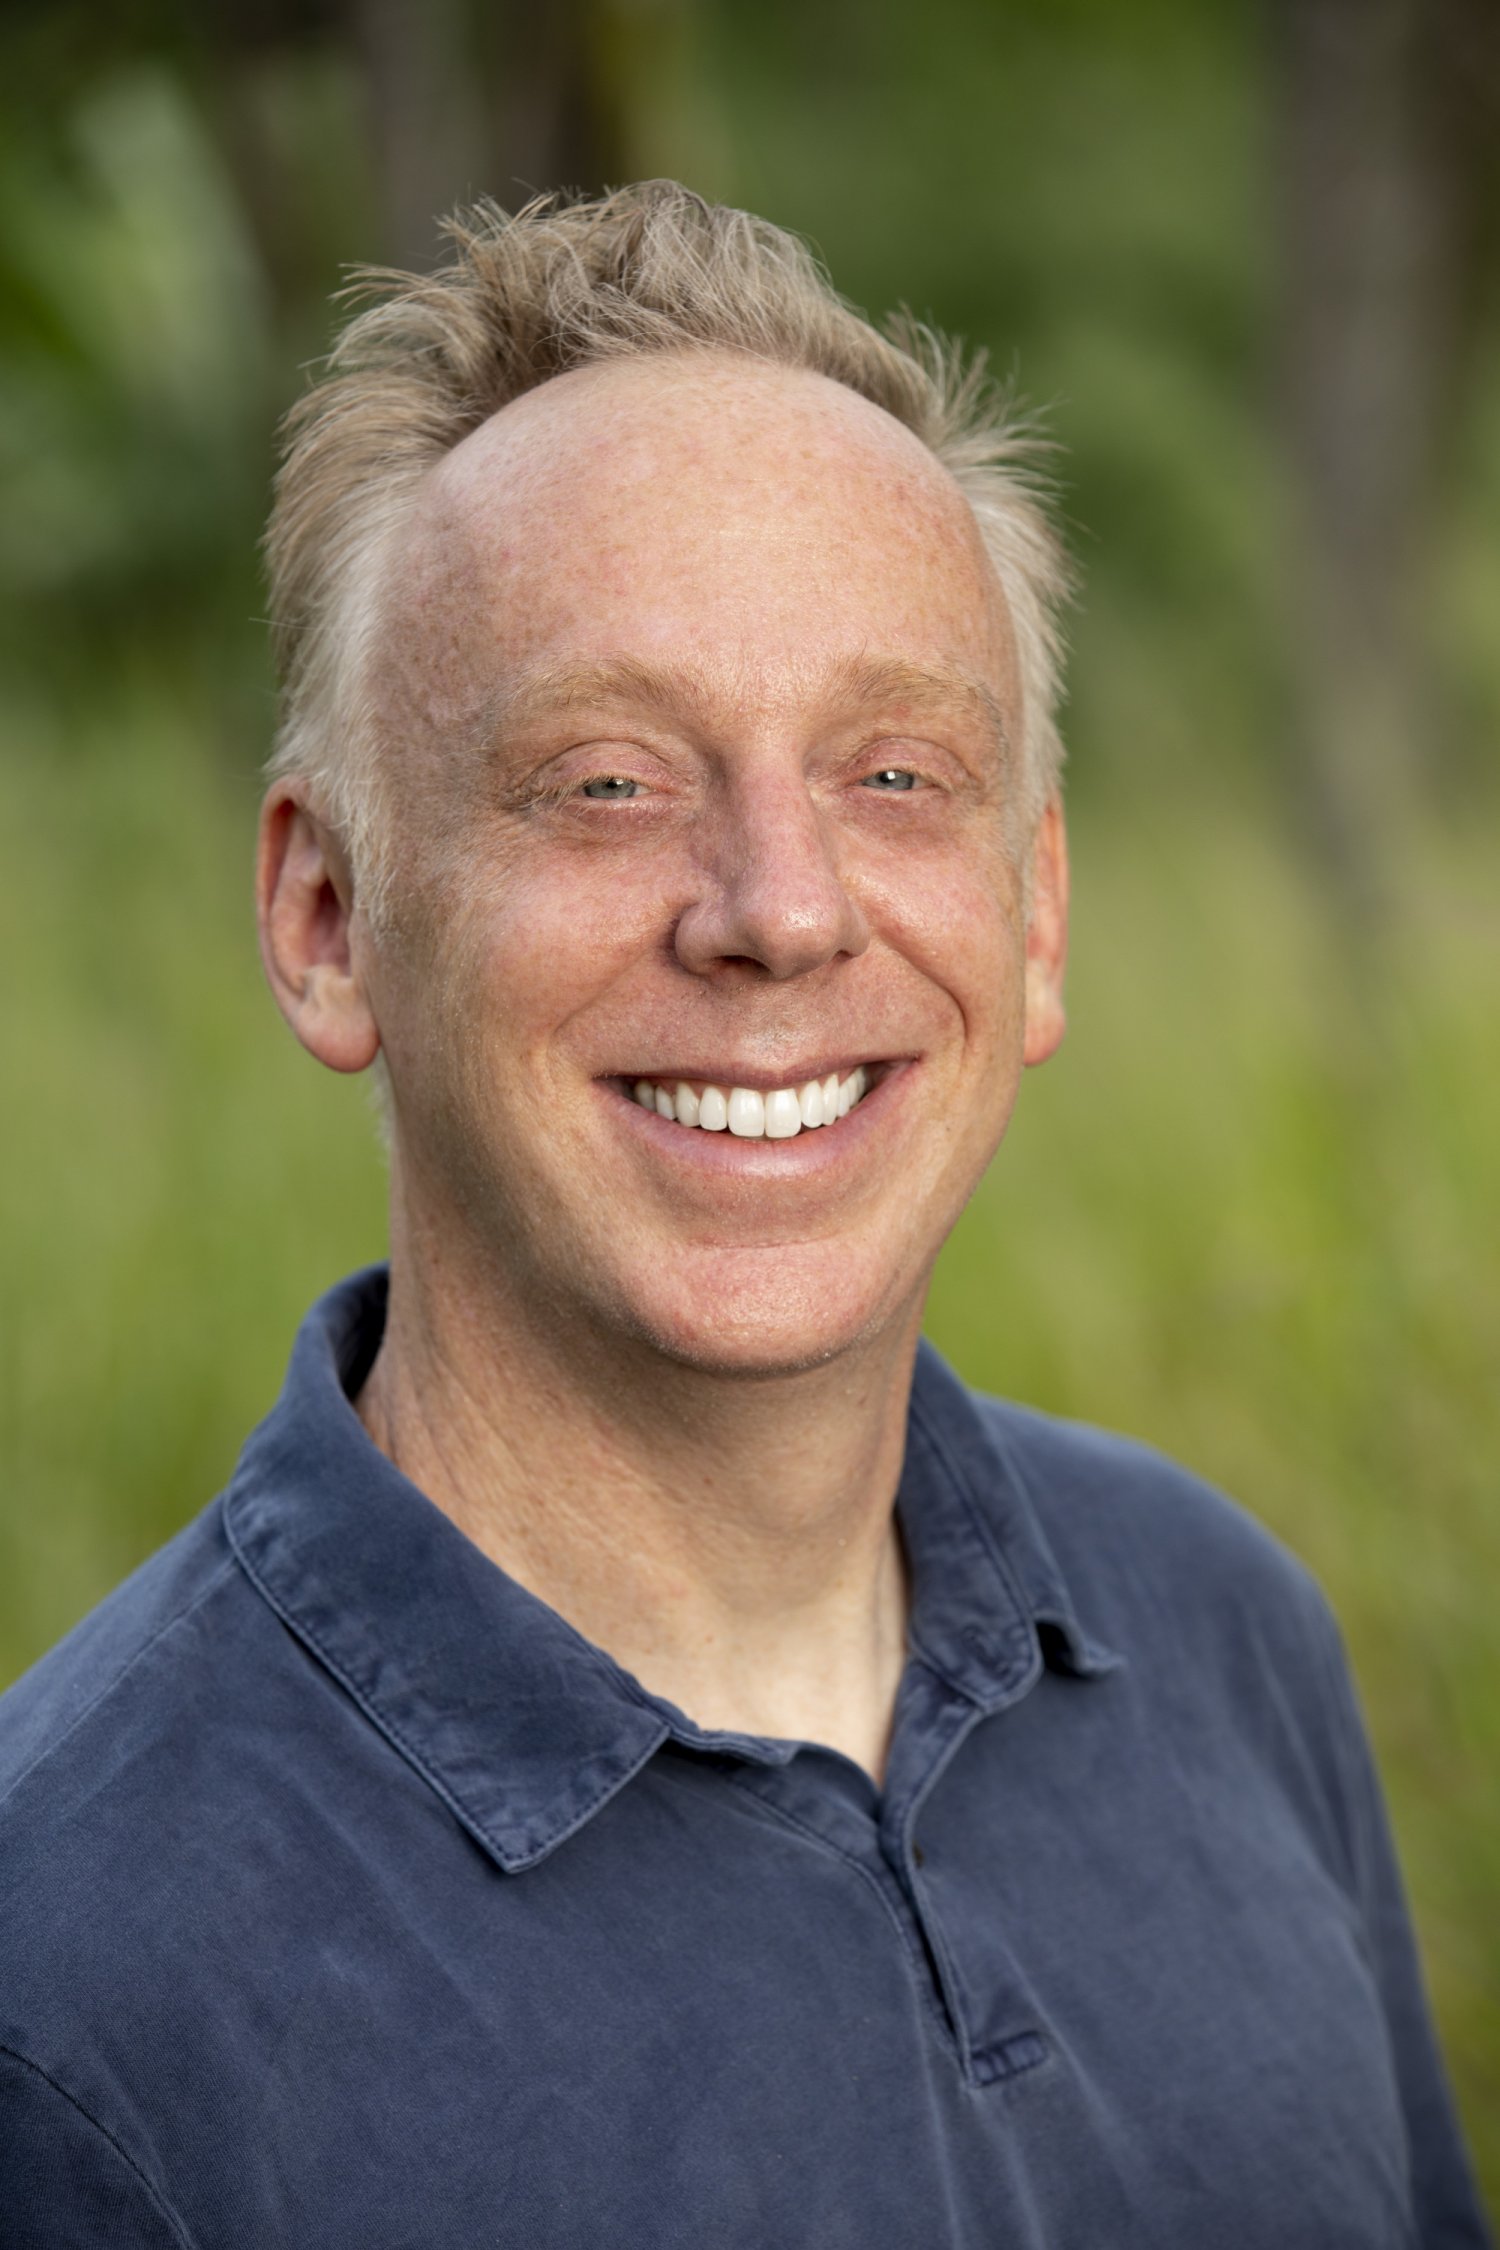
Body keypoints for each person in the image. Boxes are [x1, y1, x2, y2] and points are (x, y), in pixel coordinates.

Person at [0, 183, 1488, 2249]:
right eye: (608, 781)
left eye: (896, 775)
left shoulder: (1225, 1632)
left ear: (1036, 916)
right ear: (328, 920)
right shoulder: (66, 1994)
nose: (780, 909)